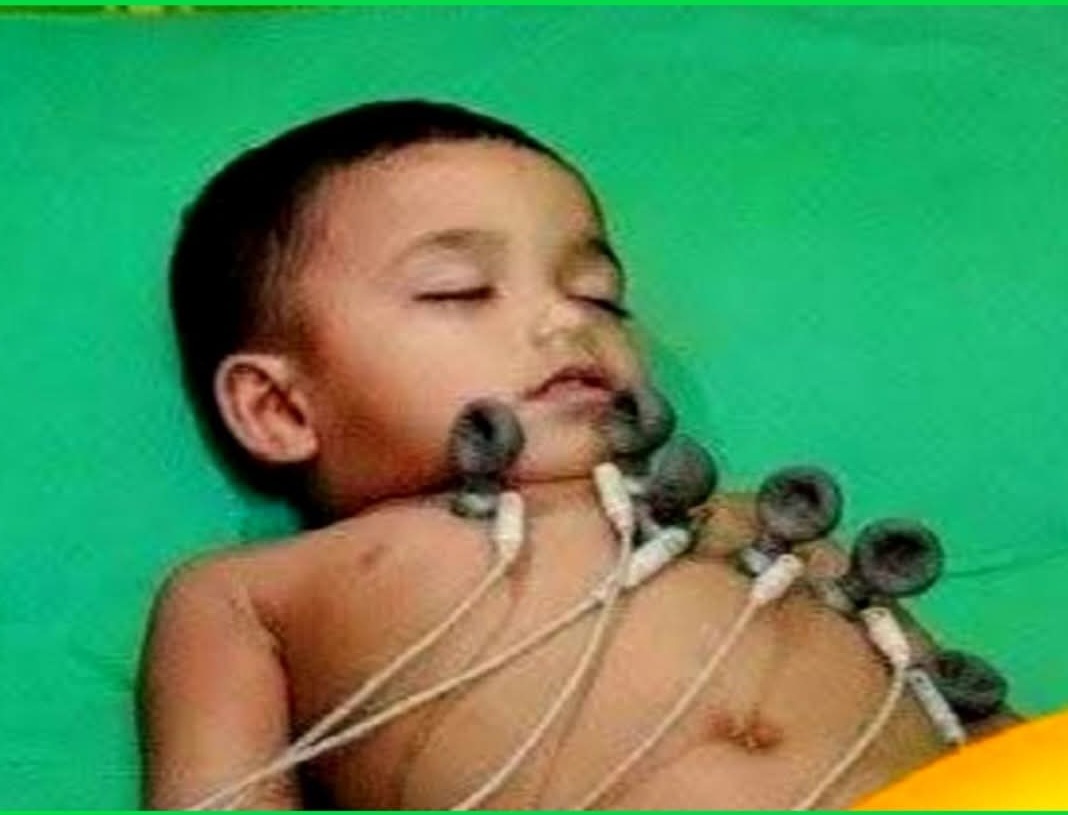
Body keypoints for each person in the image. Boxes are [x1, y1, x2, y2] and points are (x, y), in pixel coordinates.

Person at [139, 99, 1013, 810]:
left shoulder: (759, 526)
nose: (567, 319)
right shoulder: (253, 593)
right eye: (459, 290)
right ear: (281, 406)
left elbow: (985, 728)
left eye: (601, 297)